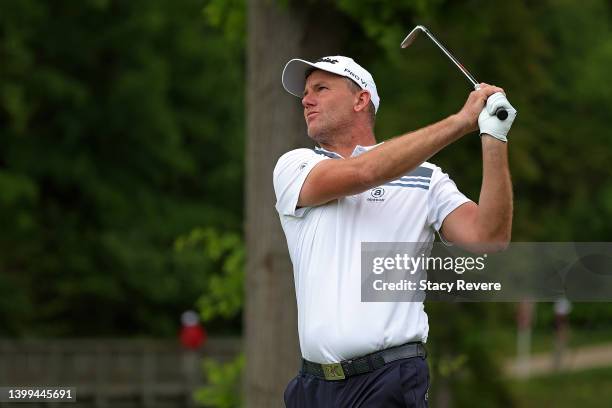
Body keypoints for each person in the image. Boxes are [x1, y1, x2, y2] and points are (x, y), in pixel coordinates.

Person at [273, 56, 516, 407]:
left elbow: (490, 238)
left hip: (388, 380)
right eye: (306, 93)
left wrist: (493, 137)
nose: (306, 100)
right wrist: (460, 121)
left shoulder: (426, 178)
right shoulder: (296, 165)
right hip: (312, 387)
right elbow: (365, 173)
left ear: (361, 100)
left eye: (321, 89)